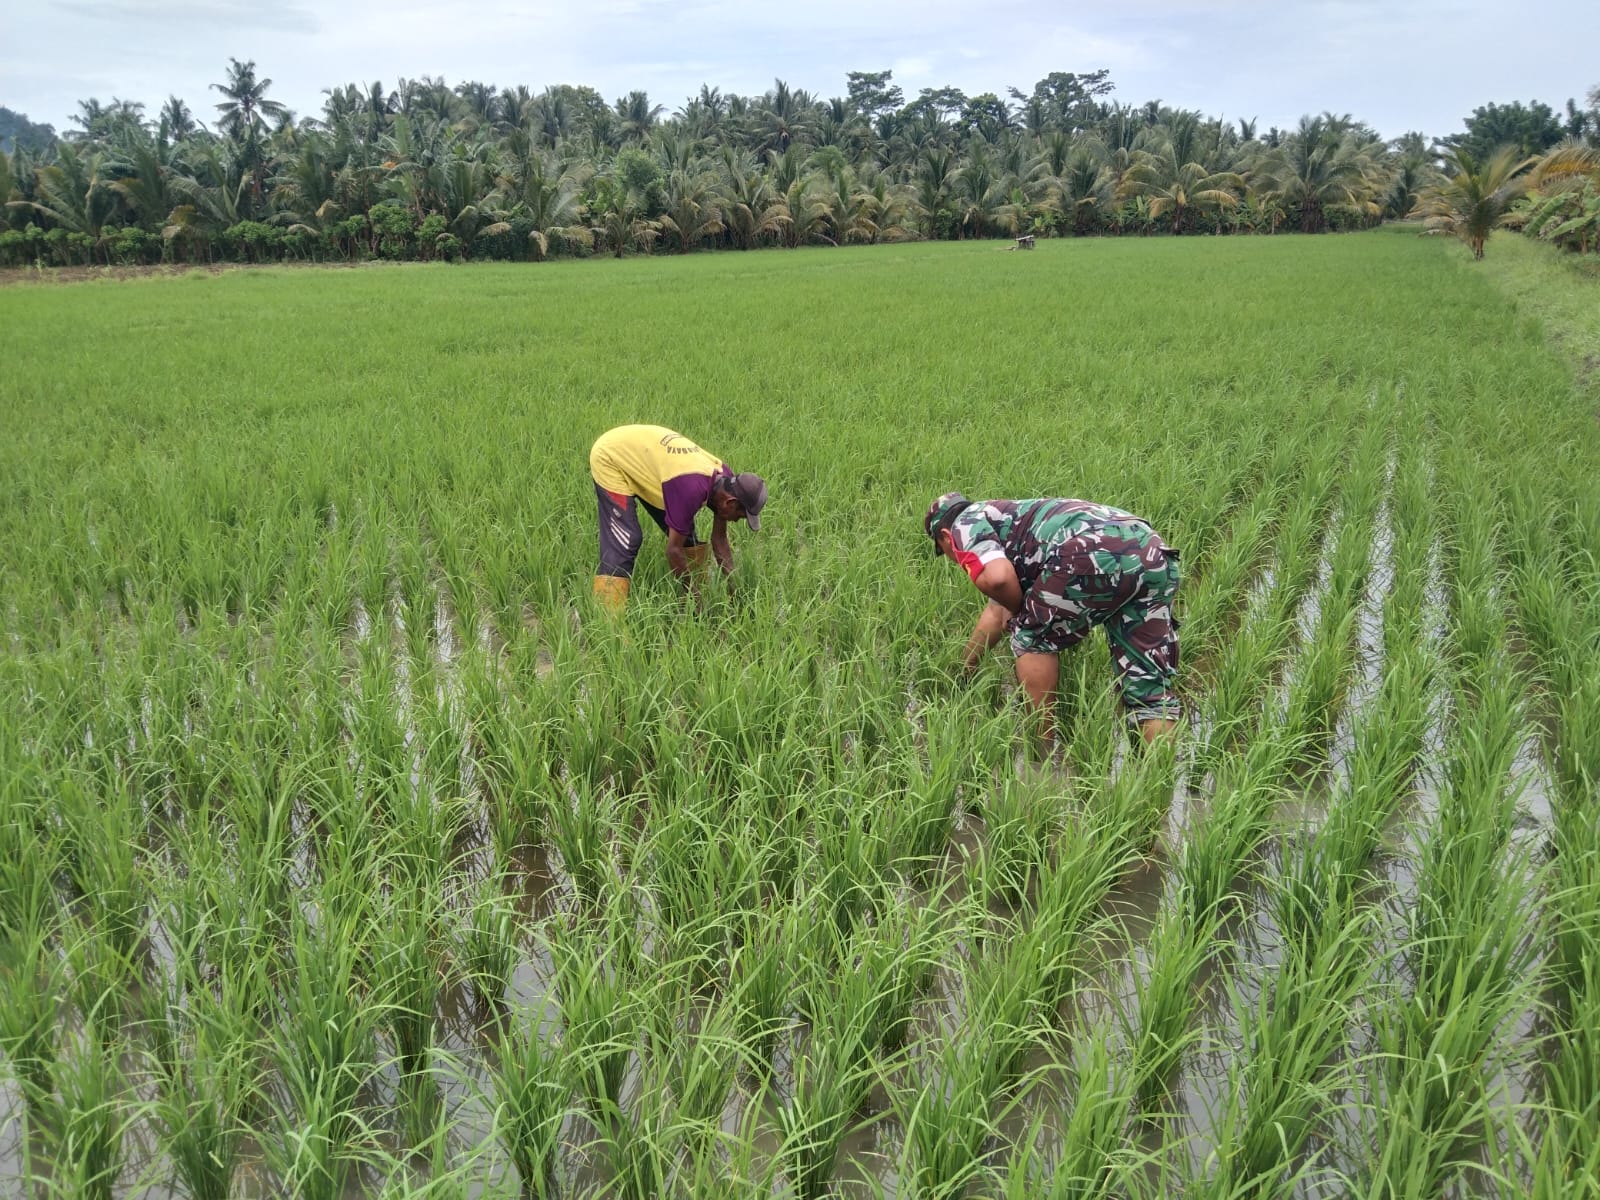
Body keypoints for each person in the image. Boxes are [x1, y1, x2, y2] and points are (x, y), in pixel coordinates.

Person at [925, 492, 1181, 746]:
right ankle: (1160, 779)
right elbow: (995, 612)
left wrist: (1022, 616)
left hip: (1091, 549)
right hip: (1150, 548)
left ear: (946, 537)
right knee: (1148, 687)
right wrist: (961, 674)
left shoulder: (965, 523)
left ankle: (1042, 755)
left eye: (944, 550)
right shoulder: (1008, 523)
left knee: (1031, 638)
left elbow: (999, 579)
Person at [589, 425, 767, 612]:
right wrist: (697, 601)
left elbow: (719, 539)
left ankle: (696, 596)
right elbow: (673, 551)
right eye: (740, 515)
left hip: (651, 466)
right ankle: (608, 622)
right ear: (729, 503)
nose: (737, 520)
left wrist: (735, 591)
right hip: (611, 458)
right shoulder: (690, 490)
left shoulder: (727, 481)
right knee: (626, 540)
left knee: (686, 536)